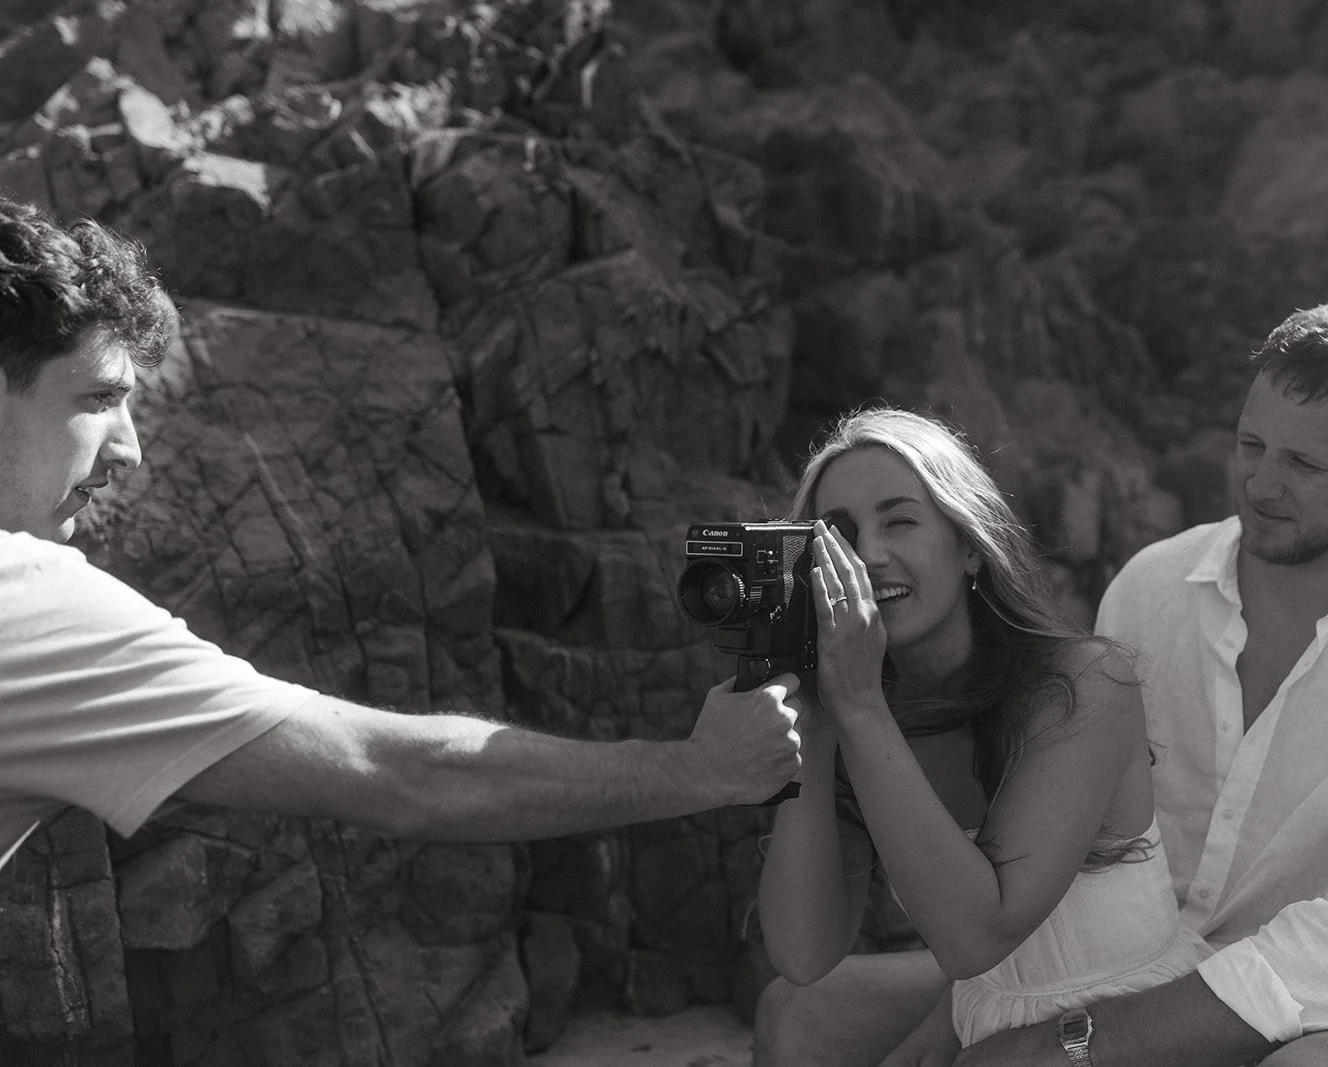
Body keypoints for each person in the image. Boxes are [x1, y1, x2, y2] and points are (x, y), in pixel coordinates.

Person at [0, 195, 803, 874]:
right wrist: (700, 771)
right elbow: (399, 776)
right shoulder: (27, 604)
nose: (132, 448)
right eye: (98, 399)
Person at [952, 301, 1328, 1066]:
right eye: (1250, 444)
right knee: (815, 1008)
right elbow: (1078, 840)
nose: (1261, 483)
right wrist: (970, 1004)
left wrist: (1072, 1043)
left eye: (1303, 463)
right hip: (1138, 963)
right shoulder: (1152, 585)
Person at [754, 408, 1211, 1066]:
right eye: (842, 534)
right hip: (985, 1013)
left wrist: (858, 708)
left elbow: (976, 934)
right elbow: (803, 950)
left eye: (900, 520)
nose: (870, 553)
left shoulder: (1083, 682)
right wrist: (818, 725)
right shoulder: (866, 715)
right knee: (792, 1015)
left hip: (1132, 1022)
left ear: (969, 543)